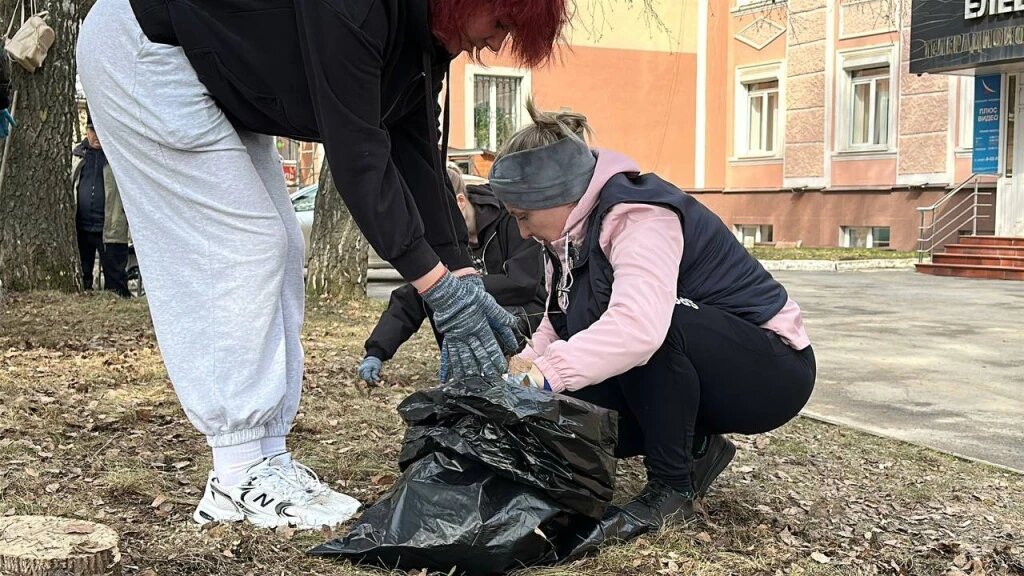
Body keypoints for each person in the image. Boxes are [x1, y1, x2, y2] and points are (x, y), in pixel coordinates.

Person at [75, 0, 570, 530]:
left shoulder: (422, 38)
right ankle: (237, 473)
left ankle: (265, 457)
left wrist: (460, 273)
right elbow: (359, 156)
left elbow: (415, 150)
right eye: (501, 25)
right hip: (145, 48)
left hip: (214, 70)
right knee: (244, 246)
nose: (496, 45)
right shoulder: (356, 9)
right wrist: (435, 287)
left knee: (281, 245)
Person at [495, 103, 816, 529]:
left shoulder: (639, 215)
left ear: (558, 195)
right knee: (574, 408)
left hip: (772, 370)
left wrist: (546, 374)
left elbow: (639, 327)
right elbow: (560, 321)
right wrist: (519, 378)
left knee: (656, 328)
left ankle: (673, 490)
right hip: (700, 363)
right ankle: (698, 448)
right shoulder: (567, 239)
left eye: (523, 216)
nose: (521, 231)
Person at [358, 166, 546, 385]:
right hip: (471, 322)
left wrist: (457, 288)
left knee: (467, 304)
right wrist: (376, 351)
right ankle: (467, 373)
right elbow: (414, 296)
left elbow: (523, 283)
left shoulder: (511, 220)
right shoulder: (439, 241)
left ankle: (495, 375)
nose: (433, 231)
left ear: (460, 202)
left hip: (526, 314)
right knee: (440, 294)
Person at [72, 118, 131, 298]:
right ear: (87, 132)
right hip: (80, 228)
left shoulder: (118, 157)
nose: (97, 136)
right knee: (82, 278)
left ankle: (120, 318)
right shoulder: (77, 155)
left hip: (111, 228)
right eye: (92, 130)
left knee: (116, 281)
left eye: (100, 130)